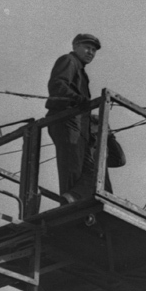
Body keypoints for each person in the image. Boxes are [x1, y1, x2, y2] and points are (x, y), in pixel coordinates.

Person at [46, 33, 101, 202]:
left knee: (92, 171)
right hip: (67, 120)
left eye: (93, 50)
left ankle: (72, 198)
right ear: (75, 46)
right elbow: (57, 84)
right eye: (87, 47)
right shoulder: (69, 61)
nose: (90, 52)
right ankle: (68, 205)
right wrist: (76, 98)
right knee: (72, 168)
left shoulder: (80, 70)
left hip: (79, 126)